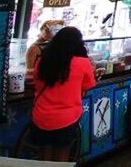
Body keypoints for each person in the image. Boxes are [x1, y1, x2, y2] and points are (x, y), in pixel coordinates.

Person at [31, 27, 95, 161]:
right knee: (62, 155)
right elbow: (88, 85)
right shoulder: (83, 62)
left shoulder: (42, 60)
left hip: (41, 115)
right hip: (67, 118)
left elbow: (35, 81)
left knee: (44, 154)